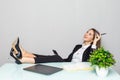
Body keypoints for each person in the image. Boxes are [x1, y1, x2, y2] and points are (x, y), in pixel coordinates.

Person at [10, 28, 101, 64]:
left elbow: (91, 60)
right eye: (87, 32)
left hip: (77, 69)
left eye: (90, 34)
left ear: (93, 39)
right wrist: (59, 58)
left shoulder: (92, 49)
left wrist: (95, 43)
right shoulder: (77, 46)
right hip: (68, 65)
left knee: (55, 58)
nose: (86, 34)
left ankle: (22, 57)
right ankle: (24, 55)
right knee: (52, 57)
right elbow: (69, 59)